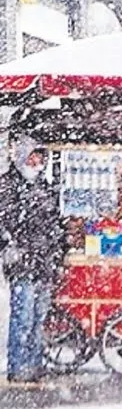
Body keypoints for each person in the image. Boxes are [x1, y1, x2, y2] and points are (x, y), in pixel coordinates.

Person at [0, 139, 68, 383]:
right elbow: (5, 224)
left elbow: (54, 223)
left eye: (40, 158)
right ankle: (19, 366)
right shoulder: (8, 186)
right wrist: (11, 247)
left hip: (43, 264)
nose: (37, 162)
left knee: (38, 319)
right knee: (23, 318)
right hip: (23, 265)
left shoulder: (43, 187)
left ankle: (34, 363)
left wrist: (58, 249)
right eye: (32, 157)